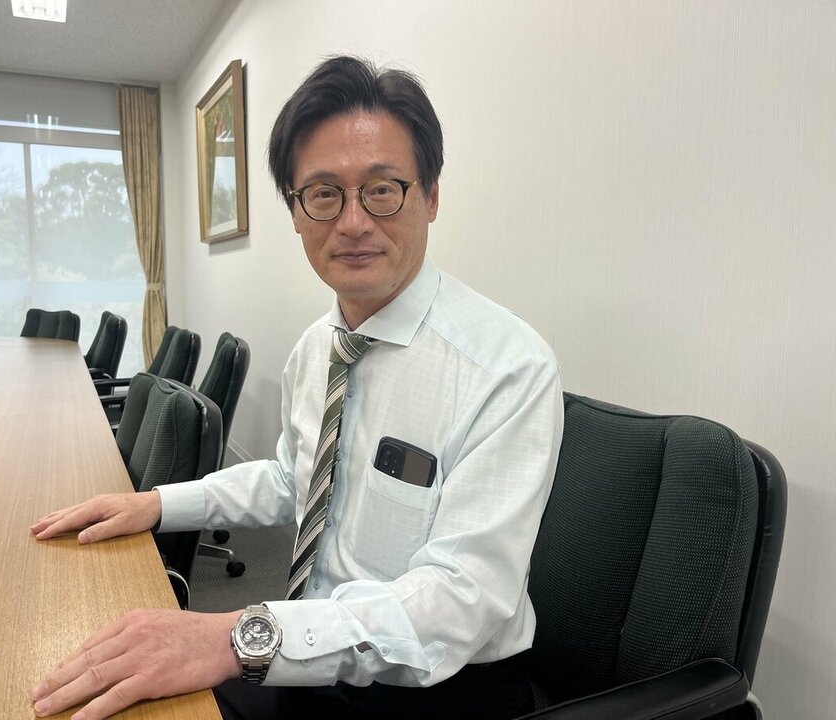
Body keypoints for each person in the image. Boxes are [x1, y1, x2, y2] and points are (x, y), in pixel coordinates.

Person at [29, 55, 563, 720]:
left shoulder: (507, 367)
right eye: (323, 194)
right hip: (308, 648)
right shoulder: (317, 347)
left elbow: (461, 602)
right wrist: (156, 504)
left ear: (430, 196)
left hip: (437, 686)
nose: (353, 222)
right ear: (295, 211)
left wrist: (236, 636)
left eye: (383, 189)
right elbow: (292, 478)